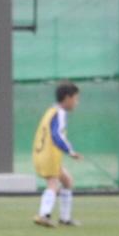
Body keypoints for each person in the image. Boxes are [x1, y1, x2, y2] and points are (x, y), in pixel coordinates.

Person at [32, 82, 82, 227]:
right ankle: (43, 215)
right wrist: (70, 151)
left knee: (67, 181)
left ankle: (65, 218)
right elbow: (57, 135)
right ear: (67, 98)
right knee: (53, 183)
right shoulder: (60, 113)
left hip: (41, 153)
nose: (76, 103)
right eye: (76, 99)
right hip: (49, 155)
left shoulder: (51, 111)